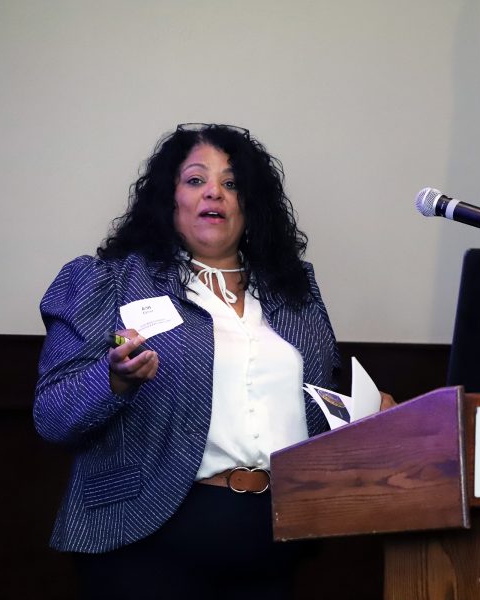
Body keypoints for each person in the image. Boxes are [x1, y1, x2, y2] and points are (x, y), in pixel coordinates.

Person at [34, 123, 392, 599]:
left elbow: (310, 407)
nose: (215, 194)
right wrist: (115, 380)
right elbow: (52, 415)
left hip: (274, 540)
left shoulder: (294, 292)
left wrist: (371, 421)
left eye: (231, 183)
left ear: (250, 203)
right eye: (196, 180)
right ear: (170, 198)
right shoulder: (111, 282)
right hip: (144, 543)